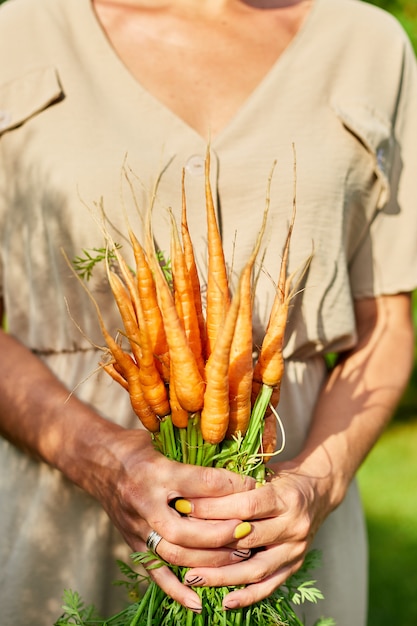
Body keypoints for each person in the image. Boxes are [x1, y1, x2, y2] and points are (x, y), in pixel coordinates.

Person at [0, 0, 416, 624]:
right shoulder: (16, 33)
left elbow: (385, 325)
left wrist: (314, 485)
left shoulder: (369, 45)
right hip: (59, 526)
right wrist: (106, 461)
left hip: (285, 544)